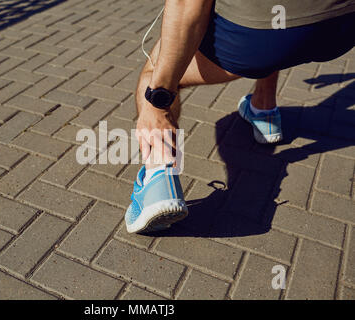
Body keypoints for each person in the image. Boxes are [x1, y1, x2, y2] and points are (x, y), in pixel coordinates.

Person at [125, 0, 355, 233]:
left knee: (156, 72)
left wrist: (158, 101)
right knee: (277, 22)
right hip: (341, 28)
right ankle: (263, 109)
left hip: (260, 38)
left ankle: (159, 181)